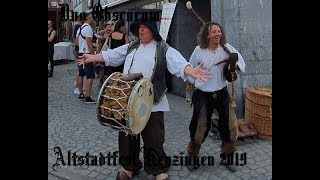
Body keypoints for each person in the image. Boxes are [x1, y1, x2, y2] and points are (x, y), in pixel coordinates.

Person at [77, 20, 211, 180]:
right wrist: (91, 57)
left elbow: (179, 64)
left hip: (152, 100)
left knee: (154, 137)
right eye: (139, 29)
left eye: (144, 28)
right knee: (126, 136)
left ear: (152, 31)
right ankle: (129, 166)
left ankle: (157, 168)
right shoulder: (132, 47)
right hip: (128, 99)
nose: (141, 31)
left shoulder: (163, 48)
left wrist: (191, 71)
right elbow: (111, 55)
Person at [185, 22, 245, 172]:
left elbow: (241, 63)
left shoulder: (227, 48)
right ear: (207, 35)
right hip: (203, 94)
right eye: (214, 32)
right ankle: (192, 156)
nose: (218, 34)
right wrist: (190, 83)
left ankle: (227, 157)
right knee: (199, 128)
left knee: (231, 126)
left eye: (219, 31)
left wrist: (234, 64)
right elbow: (190, 69)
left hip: (222, 93)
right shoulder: (199, 50)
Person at [75, 13, 96, 103]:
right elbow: (89, 42)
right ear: (89, 18)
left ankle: (80, 94)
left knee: (81, 74)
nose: (94, 20)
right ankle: (88, 97)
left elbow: (76, 42)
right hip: (86, 54)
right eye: (93, 18)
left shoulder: (80, 29)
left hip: (80, 53)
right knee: (90, 75)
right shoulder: (88, 29)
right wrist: (92, 55)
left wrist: (81, 47)